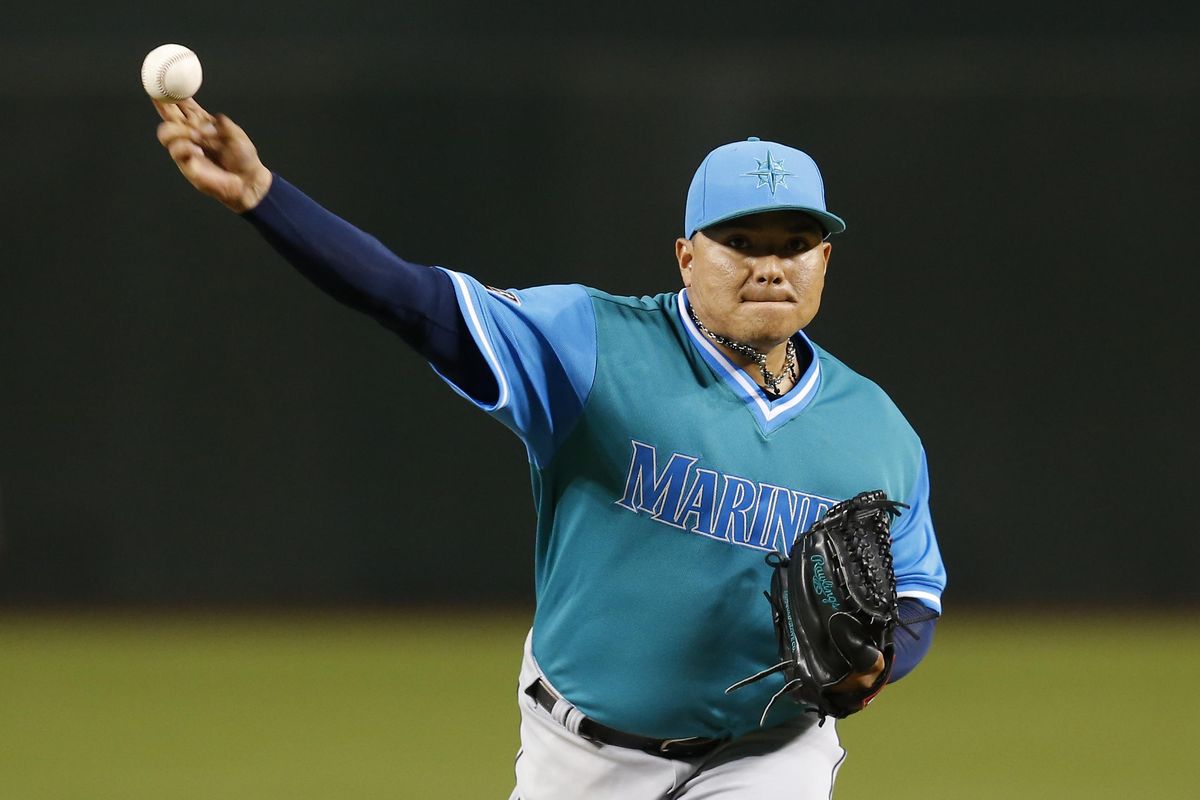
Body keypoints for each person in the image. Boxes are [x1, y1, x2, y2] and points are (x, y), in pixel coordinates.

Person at [153, 99, 946, 799]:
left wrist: (877, 665)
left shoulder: (877, 429)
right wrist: (265, 198)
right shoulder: (588, 343)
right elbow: (411, 299)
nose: (770, 267)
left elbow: (915, 593)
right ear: (687, 256)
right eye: (741, 241)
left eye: (796, 243)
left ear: (824, 260)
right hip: (586, 753)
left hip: (768, 755)